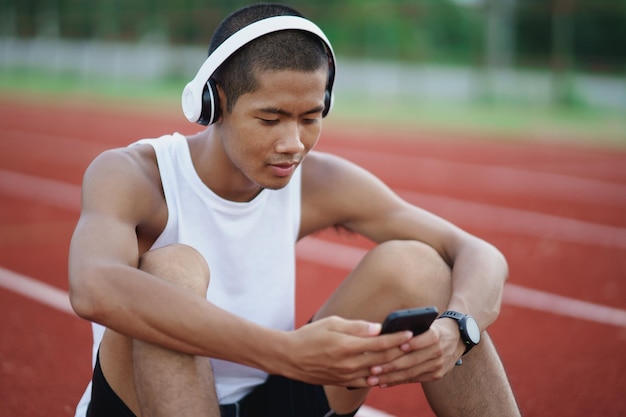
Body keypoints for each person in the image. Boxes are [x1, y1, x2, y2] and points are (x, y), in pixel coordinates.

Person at [69, 3, 521, 417]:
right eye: (271, 119)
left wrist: (458, 329)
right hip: (138, 404)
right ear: (214, 102)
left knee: (420, 265)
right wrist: (285, 351)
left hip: (269, 398)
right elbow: (93, 287)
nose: (293, 144)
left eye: (310, 118)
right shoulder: (134, 174)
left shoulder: (319, 181)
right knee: (172, 266)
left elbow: (478, 253)